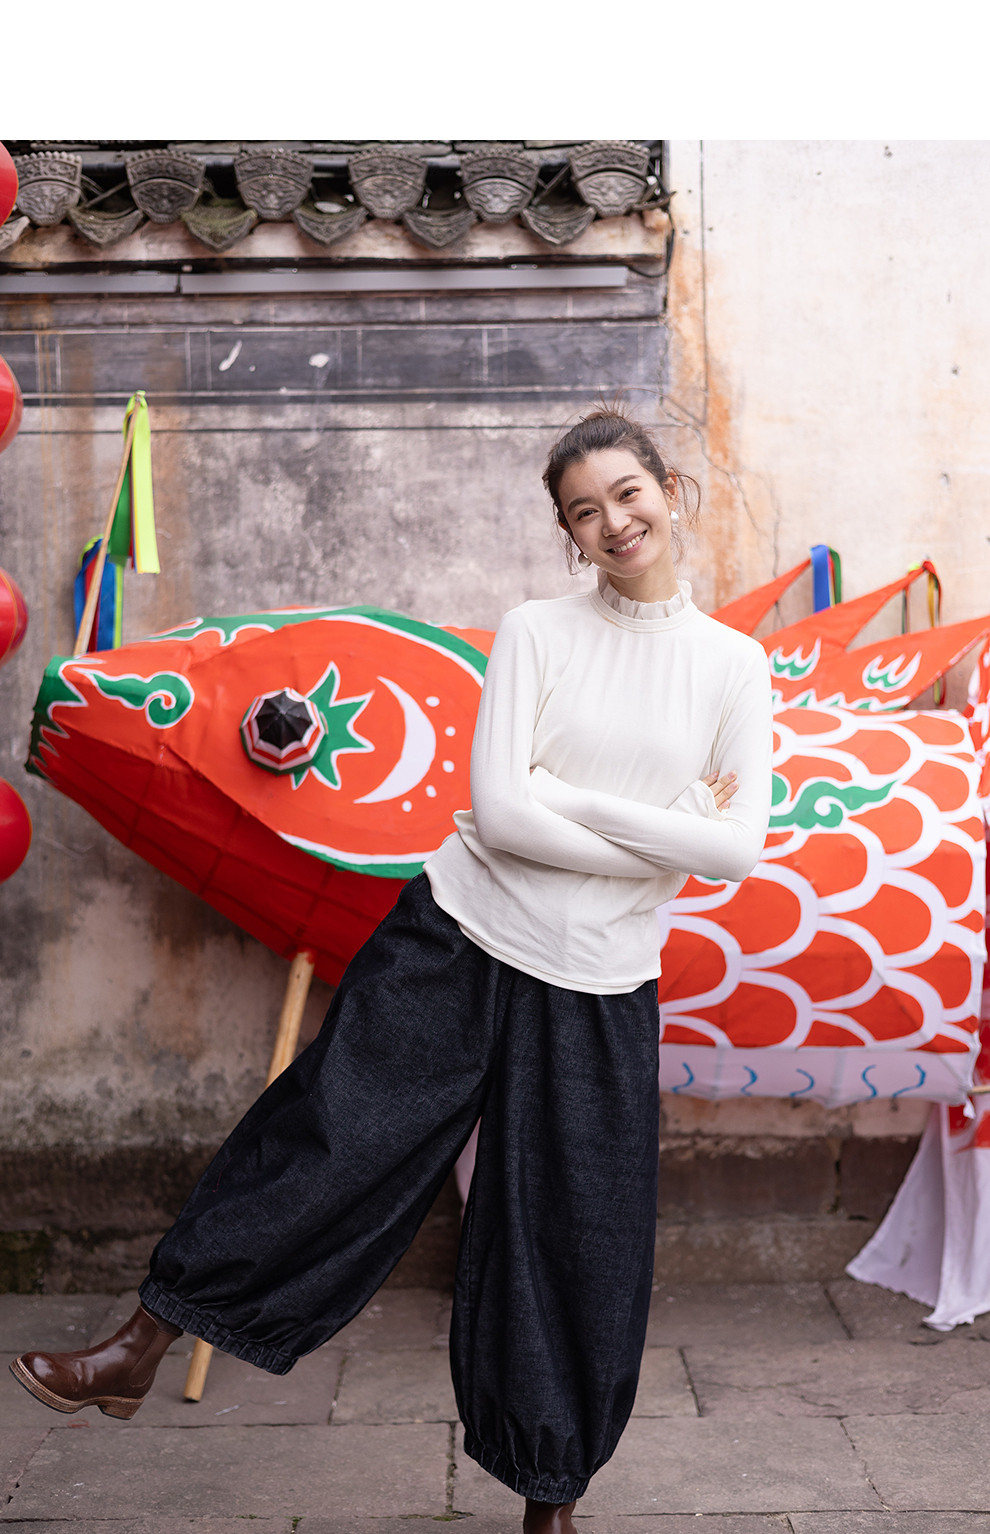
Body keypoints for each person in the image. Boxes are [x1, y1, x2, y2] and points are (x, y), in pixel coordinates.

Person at [10, 406, 773, 1533]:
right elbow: (502, 817)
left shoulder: (732, 667)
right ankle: (139, 1344)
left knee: (578, 1234)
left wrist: (570, 799)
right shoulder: (537, 633)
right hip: (459, 933)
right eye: (584, 512)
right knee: (327, 1136)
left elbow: (736, 850)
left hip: (602, 980)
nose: (614, 522)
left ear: (669, 488)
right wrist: (661, 830)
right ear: (567, 533)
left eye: (627, 493)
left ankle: (551, 1499)